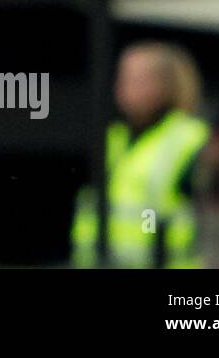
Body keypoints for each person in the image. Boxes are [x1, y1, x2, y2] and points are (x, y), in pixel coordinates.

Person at [72, 41, 211, 267]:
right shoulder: (115, 138)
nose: (122, 88)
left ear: (166, 85)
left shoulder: (189, 138)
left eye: (136, 79)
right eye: (122, 78)